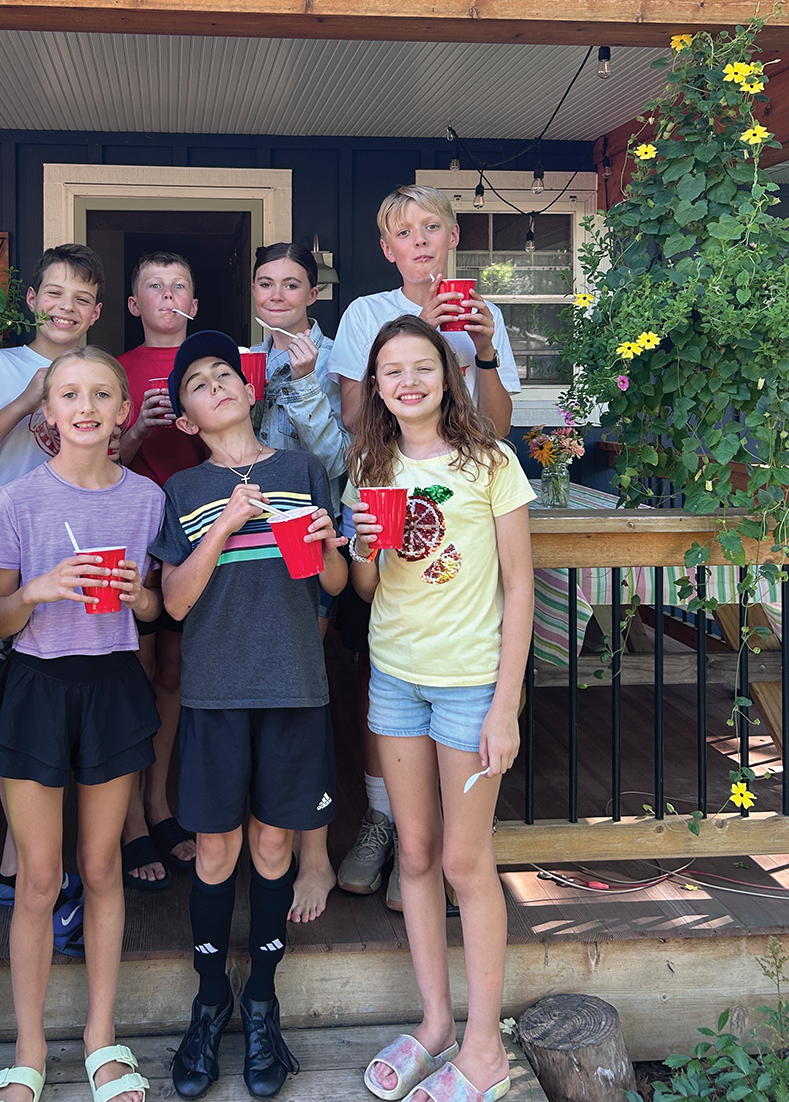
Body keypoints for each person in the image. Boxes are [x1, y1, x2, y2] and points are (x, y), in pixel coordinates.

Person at [152, 332, 347, 1099]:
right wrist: (226, 524)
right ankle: (210, 1001)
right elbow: (173, 602)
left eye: (225, 373)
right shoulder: (184, 490)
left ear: (249, 389)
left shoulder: (301, 471)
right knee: (214, 848)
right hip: (216, 691)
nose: (216, 385)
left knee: (273, 844)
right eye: (198, 383)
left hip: (294, 684)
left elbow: (334, 583)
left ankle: (262, 1001)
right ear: (187, 418)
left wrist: (330, 546)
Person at [346, 316, 534, 1102]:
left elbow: (520, 584)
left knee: (465, 862)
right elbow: (365, 588)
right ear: (377, 385)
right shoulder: (369, 465)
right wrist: (363, 547)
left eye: (422, 366)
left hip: (469, 683)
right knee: (416, 853)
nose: (409, 381)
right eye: (392, 370)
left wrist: (506, 705)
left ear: (447, 375)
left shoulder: (490, 460)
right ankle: (435, 1025)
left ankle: (485, 1049)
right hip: (395, 679)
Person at [327, 185, 521, 904]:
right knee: (375, 671)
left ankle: (449, 844)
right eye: (404, 233)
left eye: (430, 228)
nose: (419, 242)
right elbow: (356, 418)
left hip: (463, 513)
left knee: (460, 676)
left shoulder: (485, 314)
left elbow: (495, 430)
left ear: (452, 237)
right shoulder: (365, 314)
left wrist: (482, 351)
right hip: (383, 498)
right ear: (388, 249)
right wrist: (421, 337)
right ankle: (387, 821)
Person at [0, 346, 164, 1102]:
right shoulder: (15, 500)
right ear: (48, 412)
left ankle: (101, 1038)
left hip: (112, 685)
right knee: (38, 879)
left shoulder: (147, 499)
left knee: (101, 868)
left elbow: (155, 609)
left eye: (100, 394)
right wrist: (39, 589)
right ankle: (28, 1049)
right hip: (37, 688)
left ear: (123, 409)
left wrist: (139, 596)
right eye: (69, 394)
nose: (85, 407)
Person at [0, 242, 104, 910]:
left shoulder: (97, 372)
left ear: (97, 312)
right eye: (55, 293)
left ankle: (35, 863)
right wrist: (27, 399)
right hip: (1, 552)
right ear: (33, 299)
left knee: (58, 707)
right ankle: (12, 861)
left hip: (73, 552)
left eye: (82, 298)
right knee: (1, 703)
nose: (67, 307)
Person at [251, 242, 347, 925]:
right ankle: (263, 837)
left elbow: (340, 459)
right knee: (256, 695)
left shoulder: (339, 360)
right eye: (266, 283)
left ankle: (314, 853)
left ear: (313, 295)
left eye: (292, 284)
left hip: (309, 542)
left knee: (303, 698)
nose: (277, 295)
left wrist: (309, 383)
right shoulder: (243, 361)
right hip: (245, 547)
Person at [116, 251, 207, 888]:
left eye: (179, 286)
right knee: (135, 673)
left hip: (199, 536)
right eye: (155, 286)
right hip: (136, 538)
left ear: (194, 305)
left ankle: (159, 802)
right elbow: (100, 462)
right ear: (134, 305)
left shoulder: (212, 367)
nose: (168, 296)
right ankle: (128, 823)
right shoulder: (115, 370)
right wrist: (139, 431)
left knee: (173, 673)